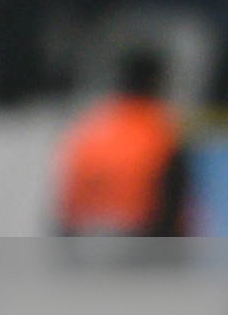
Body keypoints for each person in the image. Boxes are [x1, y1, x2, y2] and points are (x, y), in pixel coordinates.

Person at [56, 49, 193, 236]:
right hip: (140, 236)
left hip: (85, 236)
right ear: (157, 83)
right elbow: (174, 201)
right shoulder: (160, 132)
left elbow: (68, 200)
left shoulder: (91, 128)